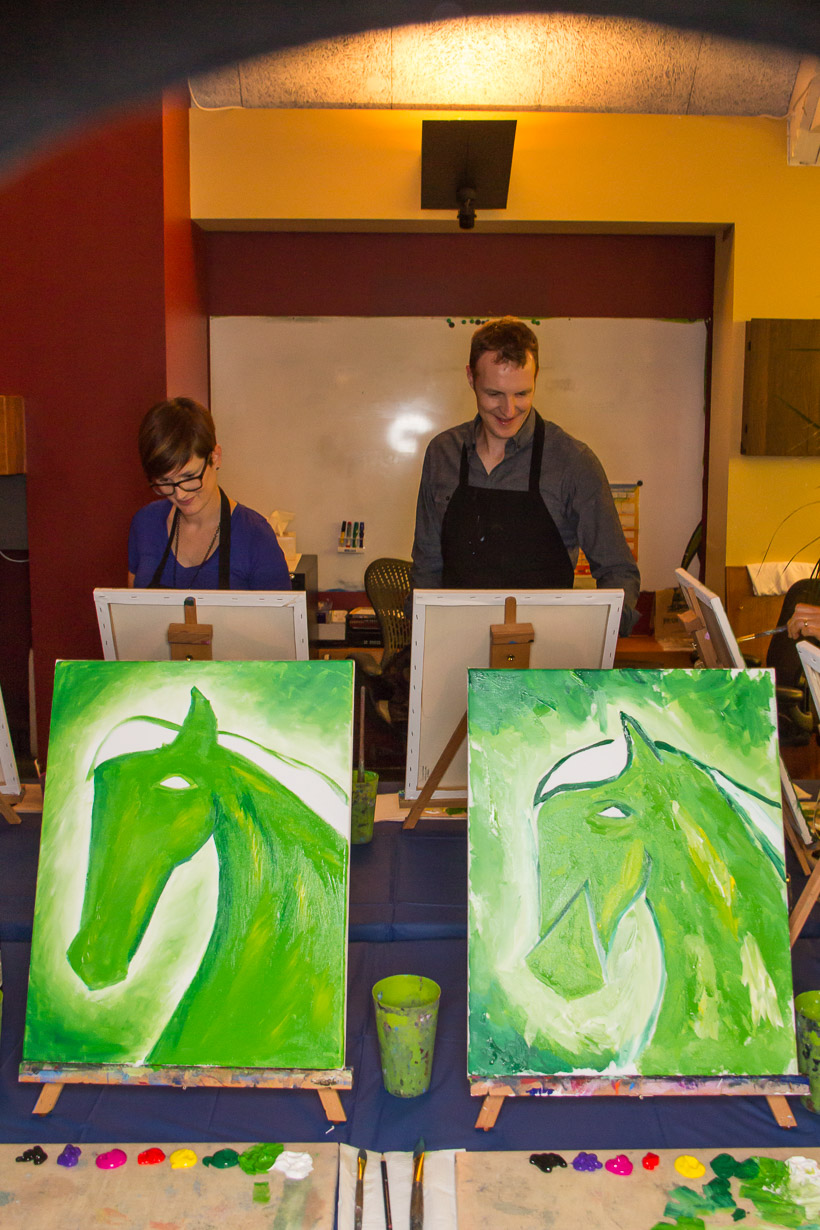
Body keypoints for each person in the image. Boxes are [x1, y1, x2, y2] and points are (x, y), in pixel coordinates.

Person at [410, 316, 640, 632]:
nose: (509, 410)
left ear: (536, 378)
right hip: (456, 643)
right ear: (471, 378)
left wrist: (596, 636)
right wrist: (425, 640)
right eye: (494, 394)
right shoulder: (442, 454)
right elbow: (427, 568)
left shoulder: (573, 462)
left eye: (522, 394)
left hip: (544, 650)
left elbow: (618, 571)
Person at [128, 397, 291, 590]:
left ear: (215, 457)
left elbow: (279, 611)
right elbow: (131, 604)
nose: (180, 494)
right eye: (165, 482)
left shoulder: (256, 538)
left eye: (189, 477)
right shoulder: (145, 524)